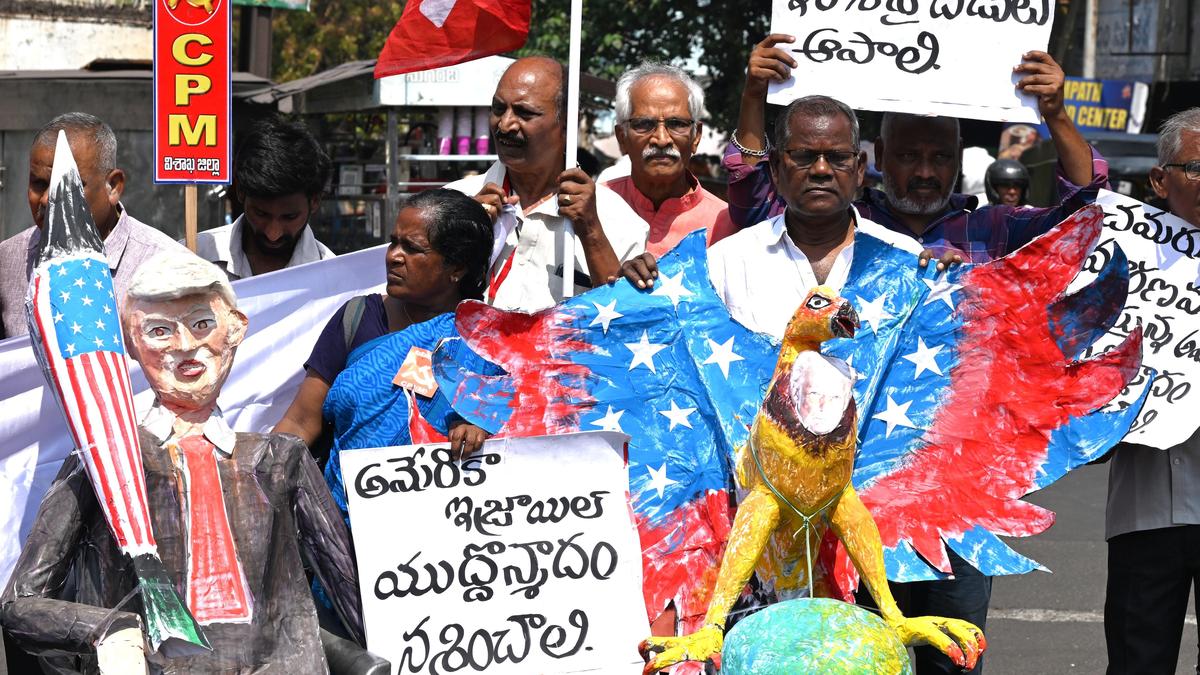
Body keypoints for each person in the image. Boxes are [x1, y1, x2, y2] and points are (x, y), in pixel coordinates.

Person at [1, 252, 365, 673]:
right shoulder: (107, 461)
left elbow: (349, 588)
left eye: (201, 324)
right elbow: (19, 602)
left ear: (235, 328)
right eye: (159, 331)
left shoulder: (280, 458)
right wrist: (105, 627)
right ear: (130, 343)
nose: (186, 346)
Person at [726, 35, 1107, 269]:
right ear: (878, 154)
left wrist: (1055, 112)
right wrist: (754, 94)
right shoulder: (840, 222)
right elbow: (753, 199)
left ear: (958, 156)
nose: (925, 172)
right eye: (909, 157)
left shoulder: (997, 229)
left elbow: (1082, 212)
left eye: (939, 158)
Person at [274, 189, 493, 504]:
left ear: (456, 268)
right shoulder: (357, 318)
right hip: (344, 527)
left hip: (448, 528)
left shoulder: (486, 340)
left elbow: (517, 424)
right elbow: (301, 421)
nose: (393, 255)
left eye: (412, 248)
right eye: (394, 242)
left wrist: (478, 430)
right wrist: (261, 481)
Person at [1104, 107, 1200, 674]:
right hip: (1146, 510)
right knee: (1140, 659)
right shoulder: (1124, 260)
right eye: (1197, 167)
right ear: (1160, 180)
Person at [445, 56, 649, 311]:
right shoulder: (452, 203)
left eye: (524, 113)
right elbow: (420, 308)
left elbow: (626, 321)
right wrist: (462, 236)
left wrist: (590, 230)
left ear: (567, 123)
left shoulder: (616, 221)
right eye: (498, 109)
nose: (505, 124)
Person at [0, 112, 189, 338]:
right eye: (39, 184)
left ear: (113, 186)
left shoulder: (171, 267)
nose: (46, 199)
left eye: (67, 185)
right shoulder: (7, 261)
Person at [606, 62, 736, 255]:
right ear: (622, 137)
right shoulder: (597, 208)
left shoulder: (725, 224)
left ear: (696, 136)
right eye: (643, 124)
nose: (661, 139)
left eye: (676, 124)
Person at [195, 116, 335, 280]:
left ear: (315, 201)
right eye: (261, 214)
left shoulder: (335, 282)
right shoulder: (191, 259)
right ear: (239, 190)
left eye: (289, 217)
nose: (272, 234)